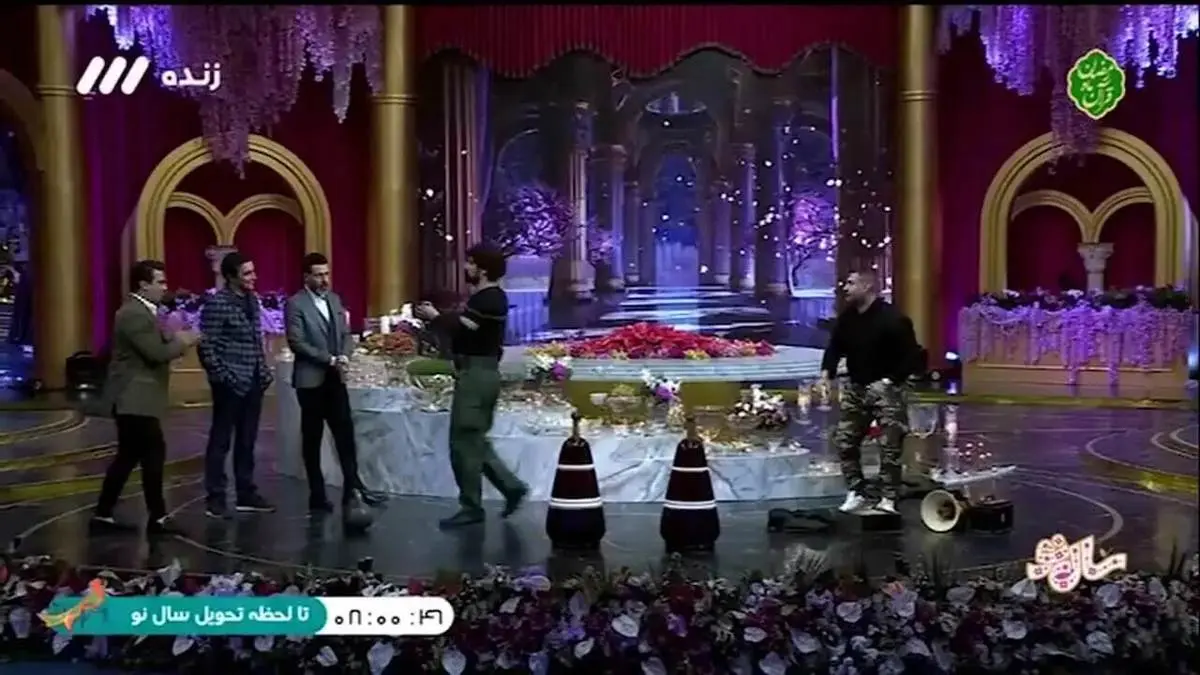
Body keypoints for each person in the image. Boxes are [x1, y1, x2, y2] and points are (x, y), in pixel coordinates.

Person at [414, 244, 529, 529]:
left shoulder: (490, 298)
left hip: (478, 374)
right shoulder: (485, 298)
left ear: (483, 269)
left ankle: (472, 506)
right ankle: (510, 487)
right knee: (473, 438)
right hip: (476, 372)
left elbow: (465, 327)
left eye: (470, 263)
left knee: (463, 441)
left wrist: (436, 317)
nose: (466, 268)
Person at [91, 260, 200, 536]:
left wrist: (176, 335)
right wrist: (185, 340)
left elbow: (159, 343)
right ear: (143, 285)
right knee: (151, 454)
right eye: (160, 282)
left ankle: (104, 514)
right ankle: (157, 517)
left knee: (129, 457)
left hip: (138, 400)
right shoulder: (133, 314)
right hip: (133, 398)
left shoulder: (144, 312)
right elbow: (156, 353)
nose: (165, 287)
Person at [285, 252, 387, 514]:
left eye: (326, 274)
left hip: (335, 378)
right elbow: (297, 342)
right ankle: (317, 495)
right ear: (306, 277)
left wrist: (344, 355)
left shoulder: (334, 299)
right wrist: (329, 359)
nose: (324, 280)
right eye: (318, 275)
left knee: (345, 435)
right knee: (312, 438)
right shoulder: (295, 304)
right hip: (310, 381)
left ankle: (353, 490)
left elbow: (345, 333)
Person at [820, 270, 920, 515]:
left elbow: (913, 355)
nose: (845, 288)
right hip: (856, 387)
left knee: (889, 445)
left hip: (886, 390)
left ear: (866, 286)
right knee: (845, 440)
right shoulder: (848, 318)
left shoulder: (893, 318)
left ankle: (888, 497)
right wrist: (827, 373)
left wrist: (890, 381)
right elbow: (835, 347)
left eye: (850, 283)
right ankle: (856, 491)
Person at [198, 251, 275, 517]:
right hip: (230, 383)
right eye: (247, 273)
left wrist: (263, 372)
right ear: (231, 277)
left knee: (247, 439)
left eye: (253, 272)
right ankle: (216, 496)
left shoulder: (252, 300)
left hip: (253, 380)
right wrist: (223, 377)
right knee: (221, 441)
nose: (254, 277)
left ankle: (246, 492)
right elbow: (206, 347)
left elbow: (256, 340)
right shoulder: (217, 304)